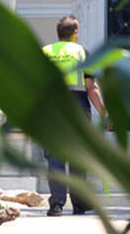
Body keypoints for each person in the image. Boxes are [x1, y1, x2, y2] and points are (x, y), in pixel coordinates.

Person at [41, 14, 106, 217]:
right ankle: (79, 204)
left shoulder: (45, 52)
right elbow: (90, 87)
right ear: (75, 33)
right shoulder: (81, 52)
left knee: (55, 157)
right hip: (77, 104)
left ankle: (57, 205)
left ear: (58, 33)